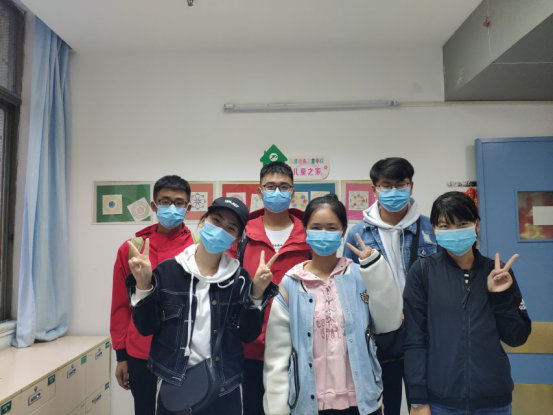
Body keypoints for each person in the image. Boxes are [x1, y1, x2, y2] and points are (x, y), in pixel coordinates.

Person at [127, 197, 279, 415]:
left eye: (230, 228)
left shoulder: (240, 279)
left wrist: (257, 294)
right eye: (216, 221)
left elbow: (248, 334)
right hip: (175, 383)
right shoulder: (168, 271)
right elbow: (146, 327)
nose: (221, 230)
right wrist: (143, 284)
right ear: (202, 222)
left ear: (236, 238)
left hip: (224, 387)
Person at [264, 194, 402, 415]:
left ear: (343, 231)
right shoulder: (291, 284)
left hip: (362, 403)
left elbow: (389, 322)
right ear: (305, 231)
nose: (324, 233)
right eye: (316, 227)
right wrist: (277, 410)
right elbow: (276, 359)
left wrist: (374, 268)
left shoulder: (361, 275)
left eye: (331, 228)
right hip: (309, 405)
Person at [404, 191, 531, 415]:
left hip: (494, 402)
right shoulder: (423, 271)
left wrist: (500, 298)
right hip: (441, 402)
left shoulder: (497, 273)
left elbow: (517, 337)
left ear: (477, 225)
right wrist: (417, 400)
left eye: (462, 224)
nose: (454, 231)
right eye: (445, 225)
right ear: (434, 229)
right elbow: (414, 340)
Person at [343, 157, 438, 415]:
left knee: (428, 403)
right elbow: (350, 288)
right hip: (382, 334)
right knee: (387, 404)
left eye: (400, 184)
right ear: (374, 189)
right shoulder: (358, 234)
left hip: (426, 331)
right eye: (386, 185)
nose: (393, 191)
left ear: (411, 186)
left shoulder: (430, 228)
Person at [110, 175, 194, 415]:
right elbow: (121, 305)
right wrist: (121, 356)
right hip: (140, 350)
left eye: (179, 202)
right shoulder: (132, 249)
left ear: (188, 208)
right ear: (154, 206)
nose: (172, 207)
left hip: (184, 351)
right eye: (165, 201)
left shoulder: (198, 248)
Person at [232, 161, 311, 415]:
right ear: (259, 191)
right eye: (270, 186)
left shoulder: (310, 233)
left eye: (284, 187)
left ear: (293, 191)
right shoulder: (242, 233)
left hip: (299, 344)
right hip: (251, 345)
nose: (277, 192)